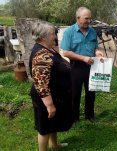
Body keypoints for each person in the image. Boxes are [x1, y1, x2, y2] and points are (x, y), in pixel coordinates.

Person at [29, 21, 73, 151]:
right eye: (52, 34)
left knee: (53, 123)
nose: (55, 36)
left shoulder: (48, 49)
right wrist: (49, 105)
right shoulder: (41, 54)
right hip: (46, 98)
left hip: (57, 95)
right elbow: (41, 83)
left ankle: (54, 144)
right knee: (45, 127)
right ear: (43, 37)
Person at [60, 7, 103, 123]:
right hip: (76, 67)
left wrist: (97, 52)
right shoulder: (69, 32)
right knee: (75, 93)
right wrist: (83, 58)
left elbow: (95, 47)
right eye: (86, 18)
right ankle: (74, 117)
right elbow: (66, 52)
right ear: (78, 18)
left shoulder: (93, 32)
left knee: (91, 91)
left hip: (91, 66)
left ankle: (90, 115)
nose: (89, 21)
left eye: (90, 18)